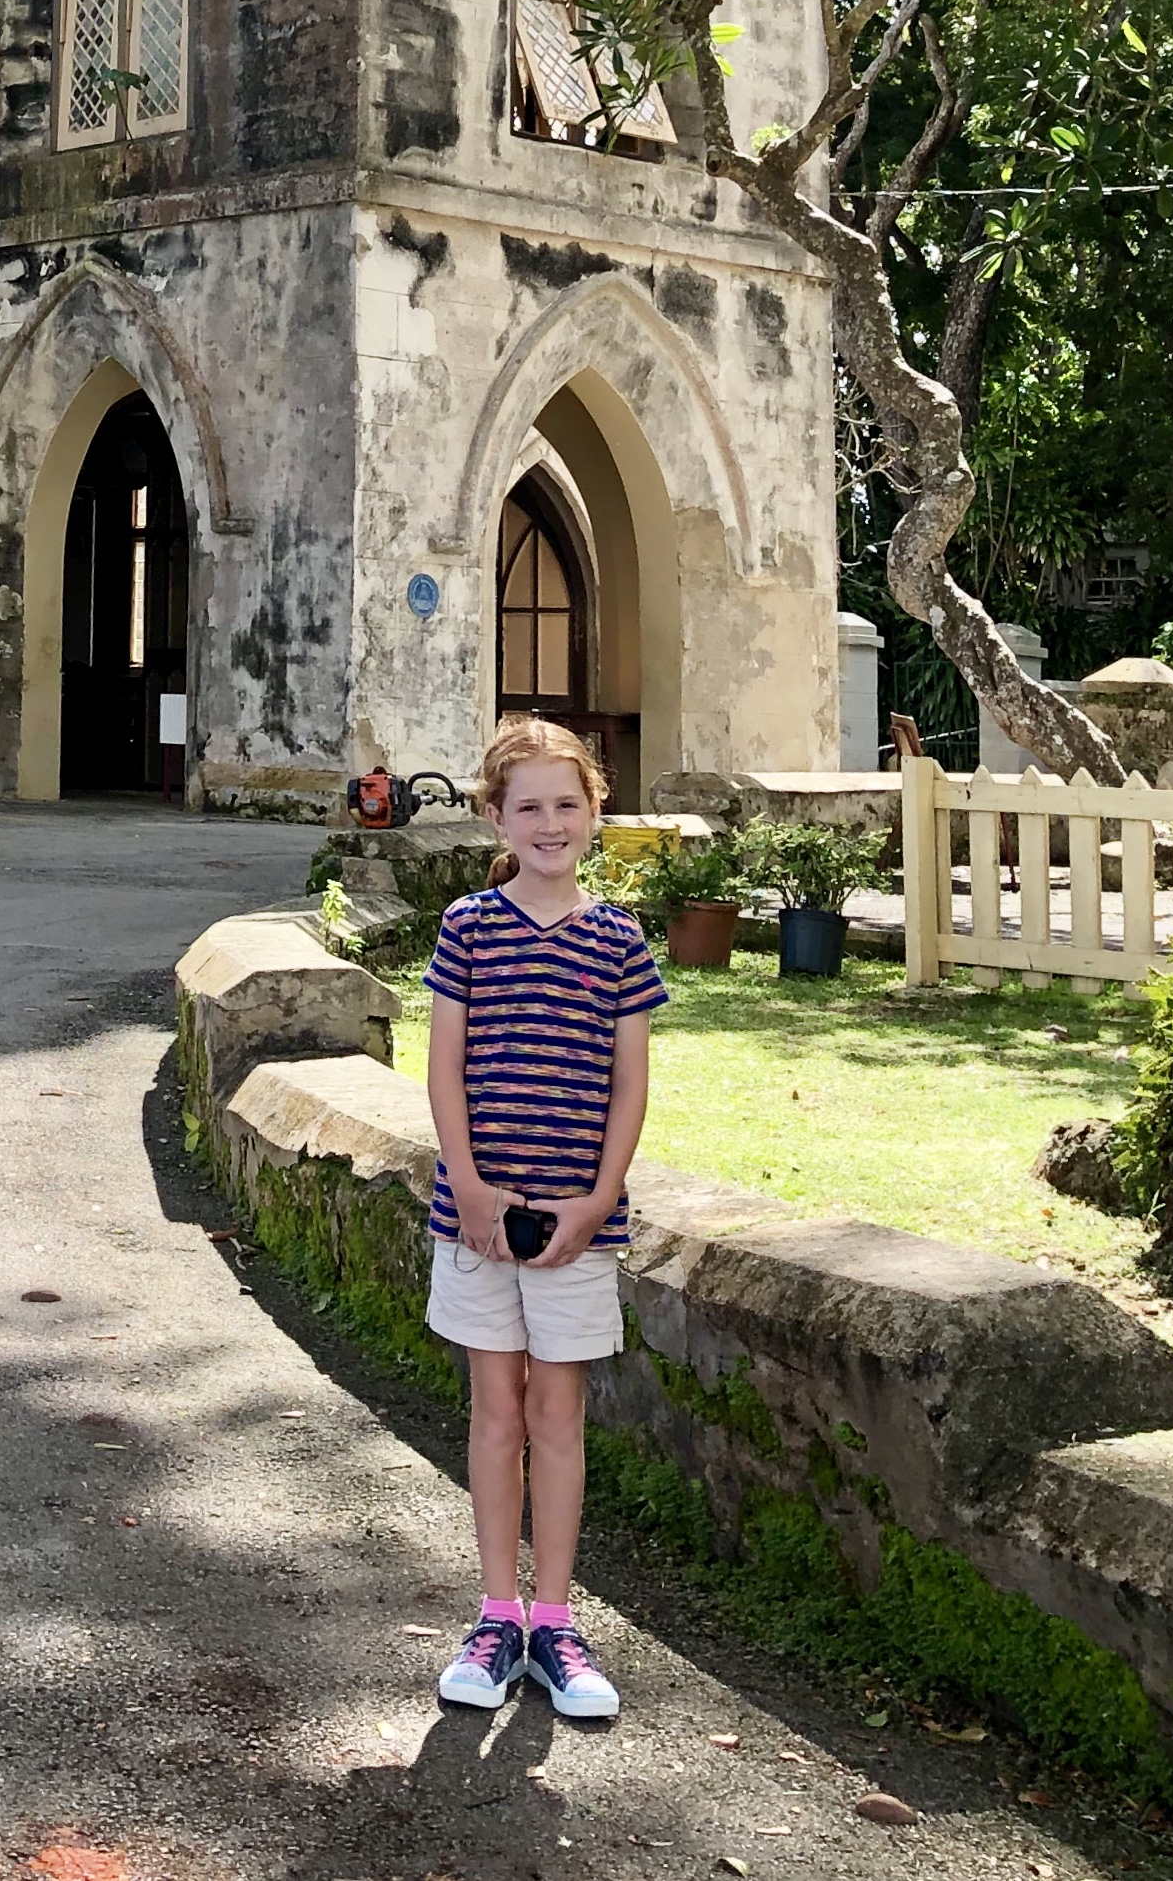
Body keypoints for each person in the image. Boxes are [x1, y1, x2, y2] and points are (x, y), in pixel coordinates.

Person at [422, 714, 664, 1723]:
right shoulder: (469, 927)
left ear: (594, 813)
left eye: (568, 804)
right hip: (478, 1218)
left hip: (574, 1221)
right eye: (530, 806)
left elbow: (628, 1085)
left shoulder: (617, 938)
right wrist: (470, 1186)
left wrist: (598, 1199)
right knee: (496, 1414)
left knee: (558, 1417)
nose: (550, 822)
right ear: (496, 816)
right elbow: (443, 1067)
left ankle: (555, 1620)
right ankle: (495, 1615)